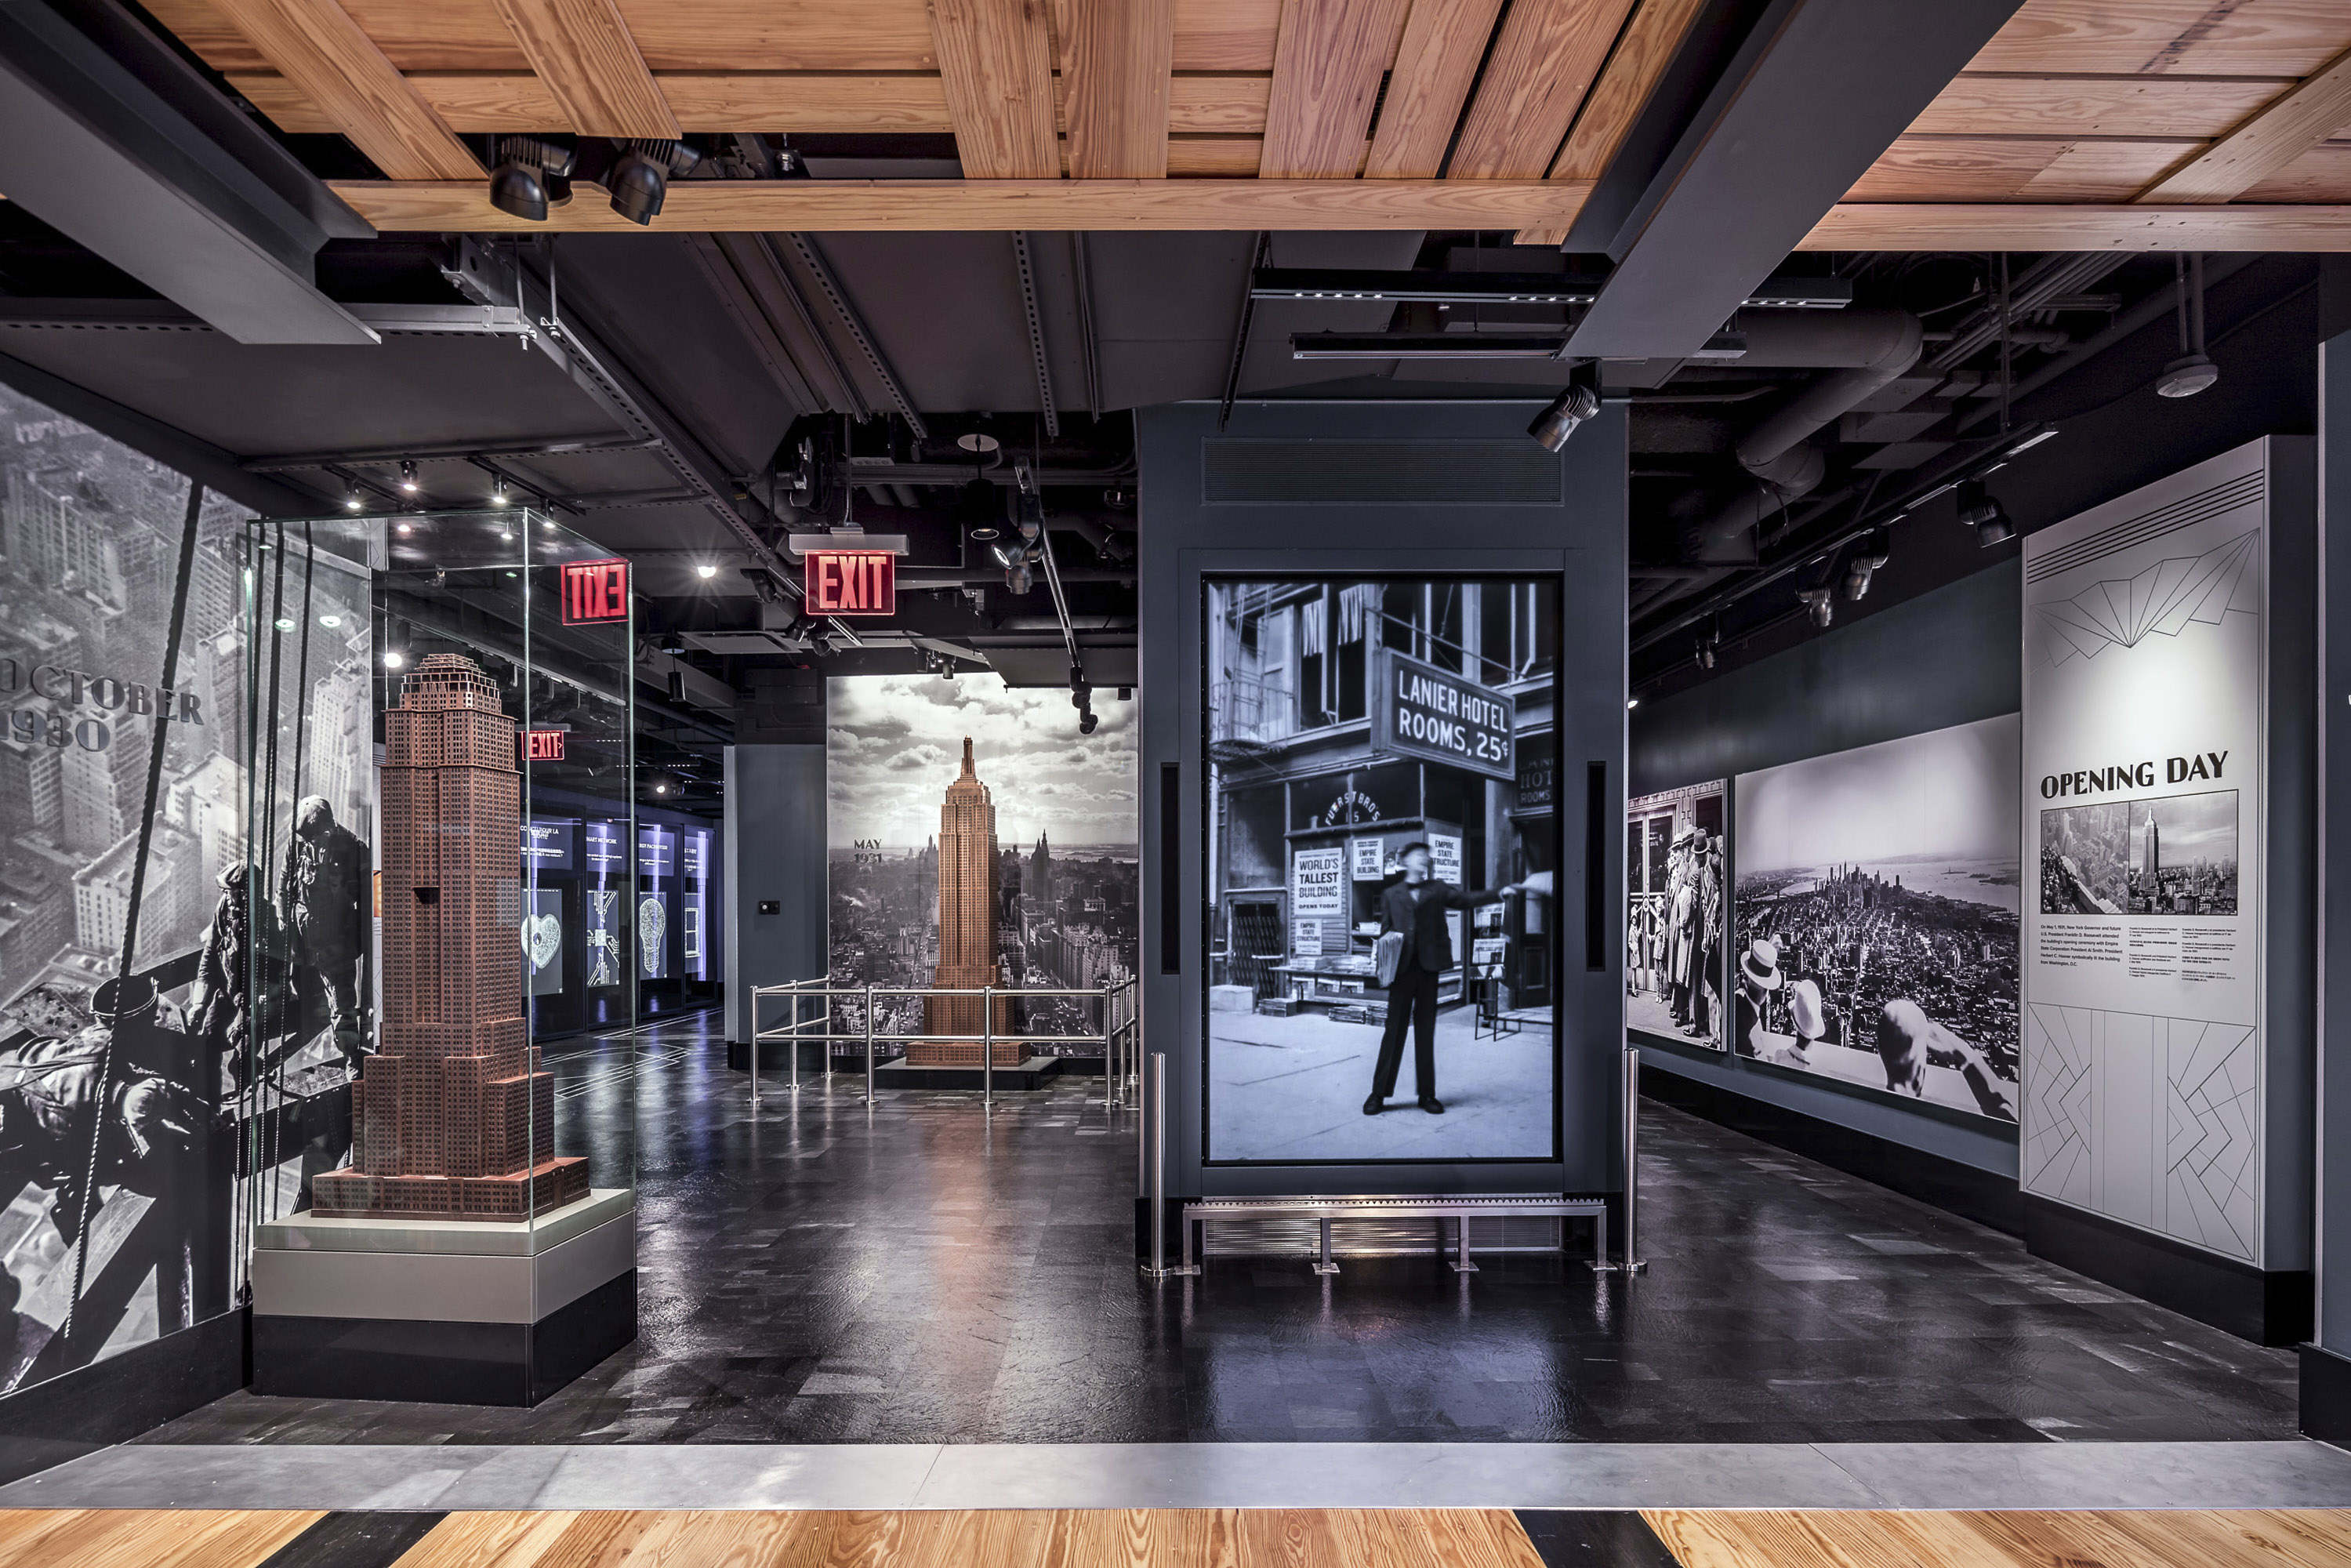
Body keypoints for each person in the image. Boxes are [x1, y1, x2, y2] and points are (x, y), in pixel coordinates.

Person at [1365, 844, 1523, 1116]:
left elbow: (1465, 900)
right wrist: (1383, 964)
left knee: (1426, 1033)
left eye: (1425, 855)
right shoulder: (1391, 894)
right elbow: (1386, 932)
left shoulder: (1437, 889)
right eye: (1417, 855)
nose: (1423, 858)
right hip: (1401, 972)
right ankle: (1378, 1094)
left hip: (1428, 969)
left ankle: (1427, 1095)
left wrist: (1498, 893)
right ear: (1405, 861)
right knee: (1393, 1032)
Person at [280, 797, 369, 1062]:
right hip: (303, 937)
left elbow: (369, 906)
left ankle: (353, 1059)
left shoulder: (355, 851)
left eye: (313, 839)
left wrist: (351, 944)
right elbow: (284, 887)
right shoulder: (299, 843)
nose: (308, 844)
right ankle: (315, 1026)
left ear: (328, 831)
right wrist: (286, 924)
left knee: (343, 1008)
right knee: (304, 994)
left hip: (334, 942)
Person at [1732, 938, 1781, 1057]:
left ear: (1746, 979)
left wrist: (1764, 954)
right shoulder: (1755, 1031)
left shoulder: (1735, 1001)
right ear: (1766, 991)